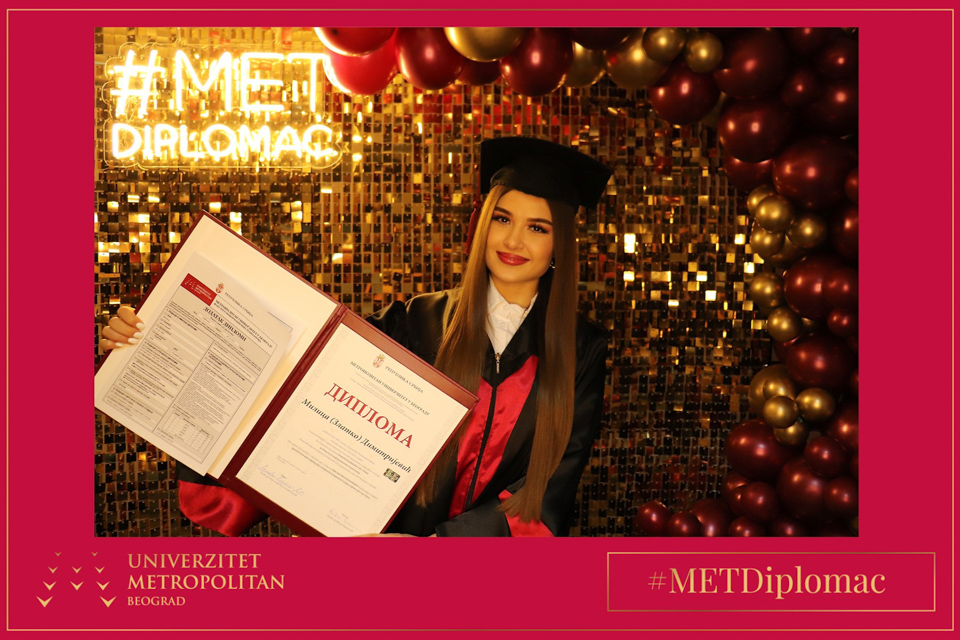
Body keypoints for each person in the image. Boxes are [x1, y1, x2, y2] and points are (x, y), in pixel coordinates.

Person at [100, 137, 612, 537]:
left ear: (560, 245)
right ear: (483, 225)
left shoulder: (581, 350)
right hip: (376, 553)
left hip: (485, 576)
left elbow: (551, 485)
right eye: (502, 218)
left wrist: (435, 550)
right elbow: (299, 393)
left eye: (538, 227)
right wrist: (158, 340)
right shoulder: (415, 321)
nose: (514, 240)